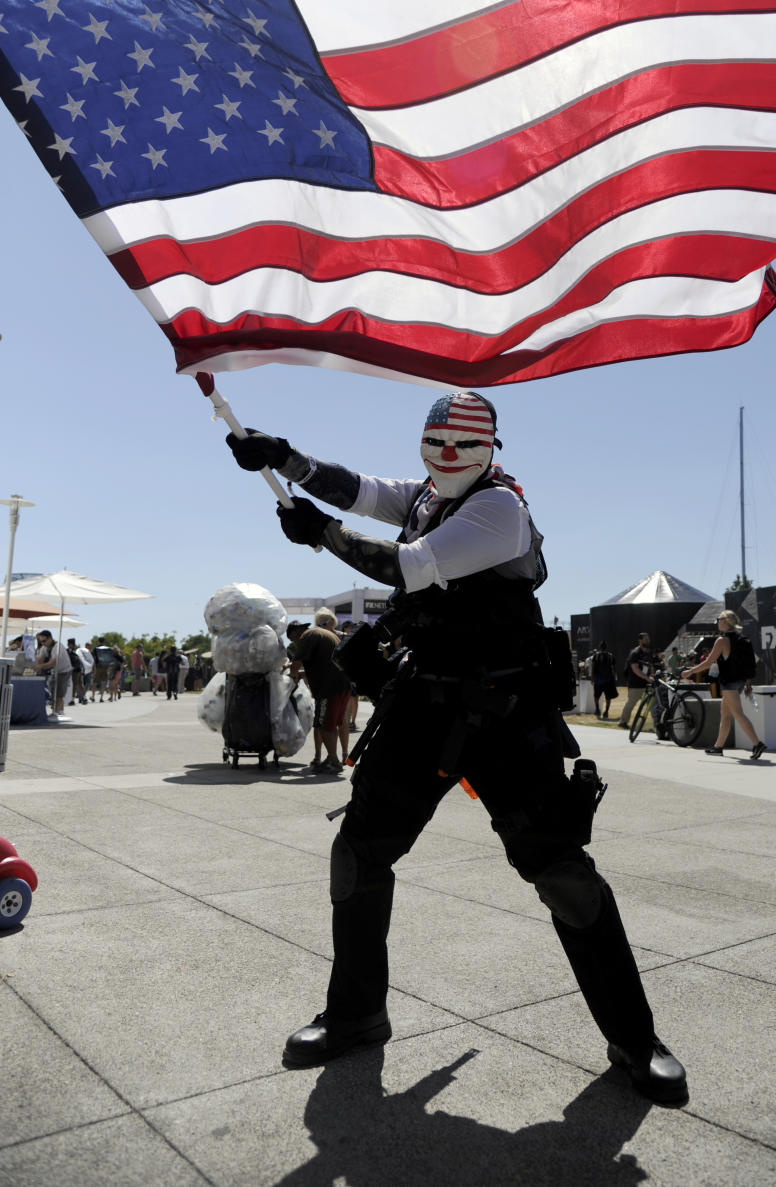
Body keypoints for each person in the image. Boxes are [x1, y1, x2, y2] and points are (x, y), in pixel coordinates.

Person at [226, 392, 686, 1104]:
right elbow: (363, 489)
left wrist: (321, 532)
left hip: (504, 716)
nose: (444, 455)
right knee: (359, 851)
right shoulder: (429, 497)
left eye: (458, 444)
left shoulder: (500, 510)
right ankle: (356, 1014)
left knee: (560, 871)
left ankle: (635, 1036)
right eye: (433, 440)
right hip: (423, 705)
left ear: (490, 448)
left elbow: (407, 566)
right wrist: (286, 458)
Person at [682, 610, 764, 759]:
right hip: (739, 682)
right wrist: (747, 683)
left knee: (738, 714)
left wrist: (690, 672)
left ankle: (757, 743)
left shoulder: (722, 640)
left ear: (725, 621)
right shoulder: (741, 639)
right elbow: (747, 663)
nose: (717, 622)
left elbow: (707, 663)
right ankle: (718, 747)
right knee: (725, 715)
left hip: (729, 683)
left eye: (719, 619)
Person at [288, 612, 353, 773]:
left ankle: (334, 761)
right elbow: (322, 662)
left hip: (329, 688)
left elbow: (296, 664)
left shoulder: (307, 636)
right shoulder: (321, 633)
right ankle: (332, 758)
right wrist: (302, 674)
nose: (295, 644)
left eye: (293, 640)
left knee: (325, 725)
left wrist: (290, 679)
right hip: (343, 684)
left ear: (295, 633)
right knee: (331, 723)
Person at [617, 633, 664, 735]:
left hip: (647, 684)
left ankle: (656, 726)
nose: (648, 641)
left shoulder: (648, 653)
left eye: (648, 639)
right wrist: (647, 678)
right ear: (640, 640)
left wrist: (652, 676)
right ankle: (623, 722)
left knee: (652, 705)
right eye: (646, 639)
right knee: (631, 704)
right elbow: (635, 669)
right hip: (635, 684)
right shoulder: (635, 653)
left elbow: (650, 666)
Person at [35, 630, 73, 715]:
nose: (43, 643)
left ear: (50, 638)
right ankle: (61, 711)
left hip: (64, 671)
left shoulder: (57, 647)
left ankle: (56, 712)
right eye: (41, 641)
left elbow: (53, 662)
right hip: (55, 671)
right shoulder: (44, 648)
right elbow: (39, 659)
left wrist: (40, 666)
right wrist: (31, 663)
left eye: (44, 641)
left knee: (59, 693)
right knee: (52, 691)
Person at [589, 640, 617, 719]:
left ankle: (597, 709)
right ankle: (606, 712)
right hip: (608, 680)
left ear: (600, 647)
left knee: (596, 696)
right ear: (606, 647)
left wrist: (592, 678)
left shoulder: (596, 655)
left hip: (598, 680)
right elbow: (614, 668)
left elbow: (593, 668)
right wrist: (615, 676)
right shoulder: (611, 656)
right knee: (608, 697)